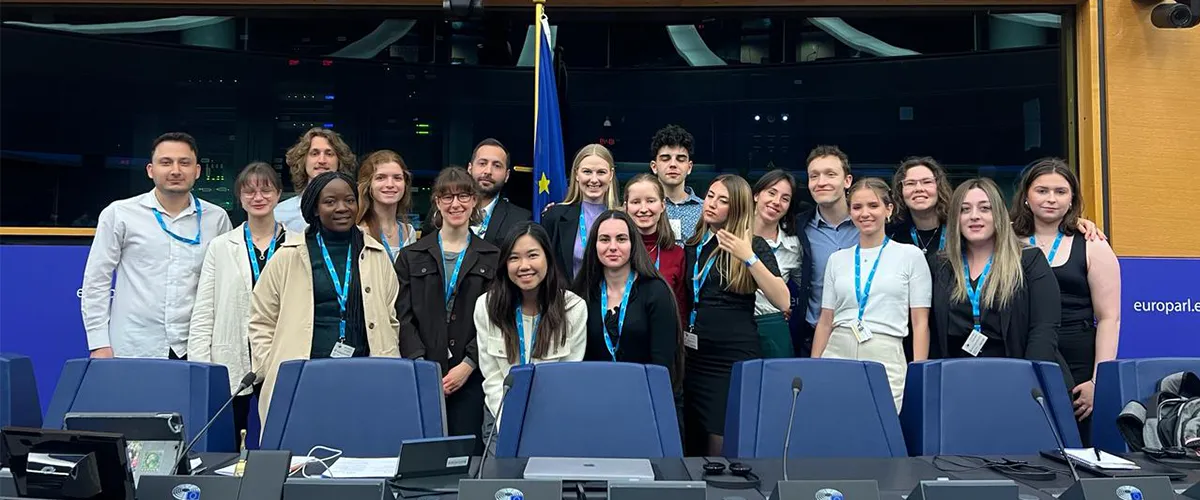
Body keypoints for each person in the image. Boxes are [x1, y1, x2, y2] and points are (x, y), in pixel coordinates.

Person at [249, 172, 401, 424]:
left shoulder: (376, 253)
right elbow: (261, 319)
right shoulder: (289, 255)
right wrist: (270, 366)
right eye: (330, 202)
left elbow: (390, 317)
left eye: (349, 200)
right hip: (302, 374)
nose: (342, 208)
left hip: (365, 373)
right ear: (315, 209)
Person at [82, 132, 233, 359]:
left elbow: (225, 284)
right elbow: (96, 280)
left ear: (197, 171)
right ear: (151, 170)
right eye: (165, 162)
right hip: (134, 346)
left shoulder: (217, 218)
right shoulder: (120, 214)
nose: (175, 170)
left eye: (184, 163)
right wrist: (98, 342)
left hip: (195, 348)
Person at [1011, 158, 1121, 446]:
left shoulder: (1093, 243)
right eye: (1042, 190)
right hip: (1020, 352)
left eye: (1060, 191)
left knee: (1076, 445)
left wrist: (1098, 382)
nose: (1051, 199)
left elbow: (1109, 318)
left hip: (1078, 359)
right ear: (1026, 197)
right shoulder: (1005, 240)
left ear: (1072, 198)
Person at [684, 174, 790, 456]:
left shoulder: (754, 245)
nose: (712, 204)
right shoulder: (692, 245)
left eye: (723, 201)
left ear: (738, 207)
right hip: (694, 356)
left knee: (720, 437)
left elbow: (783, 300)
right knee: (693, 434)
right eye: (710, 196)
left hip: (731, 357)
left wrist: (748, 256)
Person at [396, 167, 499, 454]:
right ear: (437, 202)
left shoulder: (492, 256)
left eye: (464, 195)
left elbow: (496, 320)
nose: (456, 204)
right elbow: (401, 316)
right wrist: (422, 365)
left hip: (472, 377)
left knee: (467, 458)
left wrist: (468, 364)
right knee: (424, 457)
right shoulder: (411, 255)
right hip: (423, 374)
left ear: (475, 200)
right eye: (447, 196)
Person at [929, 178, 1070, 387]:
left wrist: (1028, 383)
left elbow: (1044, 330)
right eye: (965, 210)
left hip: (1022, 382)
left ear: (999, 215)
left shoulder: (1029, 261)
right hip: (958, 384)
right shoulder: (940, 266)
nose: (974, 216)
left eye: (985, 208)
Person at [811, 178, 931, 411]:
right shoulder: (837, 259)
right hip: (837, 348)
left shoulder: (910, 255)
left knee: (881, 426)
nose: (865, 213)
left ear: (889, 209)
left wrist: (919, 372)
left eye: (873, 206)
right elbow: (825, 321)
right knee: (834, 422)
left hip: (886, 351)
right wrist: (814, 367)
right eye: (857, 207)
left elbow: (920, 322)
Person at [188, 162, 284, 444]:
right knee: (228, 439)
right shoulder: (221, 246)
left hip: (278, 352)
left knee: (278, 437)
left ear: (278, 195)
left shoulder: (296, 243)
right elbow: (205, 308)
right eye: (249, 191)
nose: (258, 197)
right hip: (232, 356)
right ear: (240, 198)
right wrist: (201, 364)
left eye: (266, 190)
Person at [474, 223, 587, 453]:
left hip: (554, 418)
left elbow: (567, 378)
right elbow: (493, 378)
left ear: (548, 257)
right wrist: (513, 421)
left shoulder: (574, 308)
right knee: (504, 486)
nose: (524, 266)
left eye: (533, 255)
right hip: (500, 418)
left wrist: (538, 425)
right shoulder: (486, 306)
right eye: (514, 258)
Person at [573, 210, 682, 376]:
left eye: (621, 239)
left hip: (642, 395)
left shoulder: (656, 292)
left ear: (633, 244)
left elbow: (664, 365)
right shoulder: (582, 294)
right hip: (595, 394)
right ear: (594, 245)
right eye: (604, 239)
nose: (613, 247)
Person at [793, 145, 859, 358]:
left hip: (863, 338)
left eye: (830, 174)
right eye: (814, 176)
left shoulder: (870, 224)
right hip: (812, 337)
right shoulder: (798, 227)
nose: (821, 182)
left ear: (847, 181)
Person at [541, 144, 620, 280]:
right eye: (587, 172)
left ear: (611, 175)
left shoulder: (623, 218)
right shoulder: (555, 216)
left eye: (601, 172)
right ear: (576, 174)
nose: (594, 179)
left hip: (611, 299)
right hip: (567, 299)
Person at [751, 169, 803, 358]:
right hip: (734, 324)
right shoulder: (731, 232)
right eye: (771, 193)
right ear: (757, 195)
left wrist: (787, 307)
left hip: (773, 326)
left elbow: (802, 287)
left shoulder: (793, 246)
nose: (776, 202)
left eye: (785, 198)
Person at [623, 173, 687, 318]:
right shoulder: (617, 250)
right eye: (636, 202)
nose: (643, 208)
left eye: (651, 201)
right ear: (626, 207)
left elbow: (681, 305)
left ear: (663, 205)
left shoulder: (677, 254)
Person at [274, 127, 357, 233]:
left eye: (329, 154)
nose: (322, 160)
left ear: (339, 161)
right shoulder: (280, 213)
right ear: (303, 160)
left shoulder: (354, 211)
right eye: (314, 153)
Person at [355, 150, 417, 261]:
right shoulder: (359, 232)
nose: (390, 184)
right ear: (369, 184)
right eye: (380, 178)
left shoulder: (409, 232)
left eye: (397, 178)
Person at [649, 125, 704, 243]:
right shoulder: (641, 209)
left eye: (680, 159)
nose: (673, 164)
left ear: (689, 167)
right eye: (665, 158)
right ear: (654, 166)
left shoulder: (705, 210)